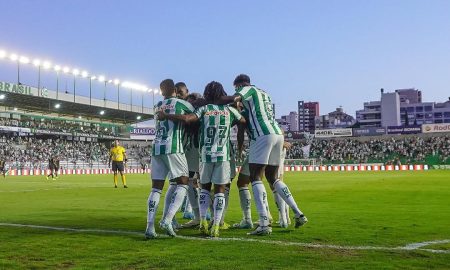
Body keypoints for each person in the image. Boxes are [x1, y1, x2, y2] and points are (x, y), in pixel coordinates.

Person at [220, 74, 307, 235]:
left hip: (262, 135)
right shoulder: (264, 93)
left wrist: (218, 99)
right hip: (277, 134)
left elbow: (236, 98)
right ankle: (298, 213)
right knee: (273, 179)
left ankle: (264, 223)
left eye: (236, 87)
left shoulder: (248, 89)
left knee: (255, 177)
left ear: (240, 84)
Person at [158, 81, 245, 237]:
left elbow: (187, 118)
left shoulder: (204, 109)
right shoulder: (229, 111)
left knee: (203, 189)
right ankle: (217, 225)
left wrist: (166, 115)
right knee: (220, 190)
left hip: (205, 155)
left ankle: (203, 221)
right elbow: (244, 121)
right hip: (223, 156)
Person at [145, 79, 194, 239]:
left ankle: (150, 227)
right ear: (174, 89)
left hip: (156, 148)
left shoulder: (157, 106)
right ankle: (167, 220)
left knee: (156, 189)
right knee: (183, 183)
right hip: (173, 147)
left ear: (161, 91)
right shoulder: (182, 104)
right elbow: (192, 117)